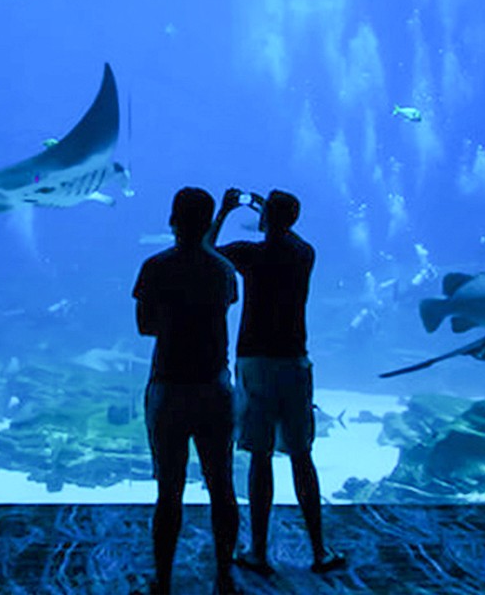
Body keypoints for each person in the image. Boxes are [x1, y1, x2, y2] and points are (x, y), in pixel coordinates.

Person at [209, 188, 344, 576]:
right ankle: (319, 550)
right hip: (294, 362)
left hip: (255, 361)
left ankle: (257, 551)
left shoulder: (250, 254)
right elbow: (292, 235)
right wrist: (272, 213)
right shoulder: (304, 254)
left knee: (260, 456)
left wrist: (226, 210)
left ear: (267, 219)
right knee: (302, 455)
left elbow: (207, 253)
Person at [132, 187, 242, 595]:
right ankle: (225, 576)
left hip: (169, 389)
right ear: (207, 218)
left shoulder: (155, 267)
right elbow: (226, 300)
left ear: (172, 219)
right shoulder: (224, 270)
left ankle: (162, 580)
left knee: (169, 491)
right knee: (222, 486)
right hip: (214, 387)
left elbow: (144, 326)